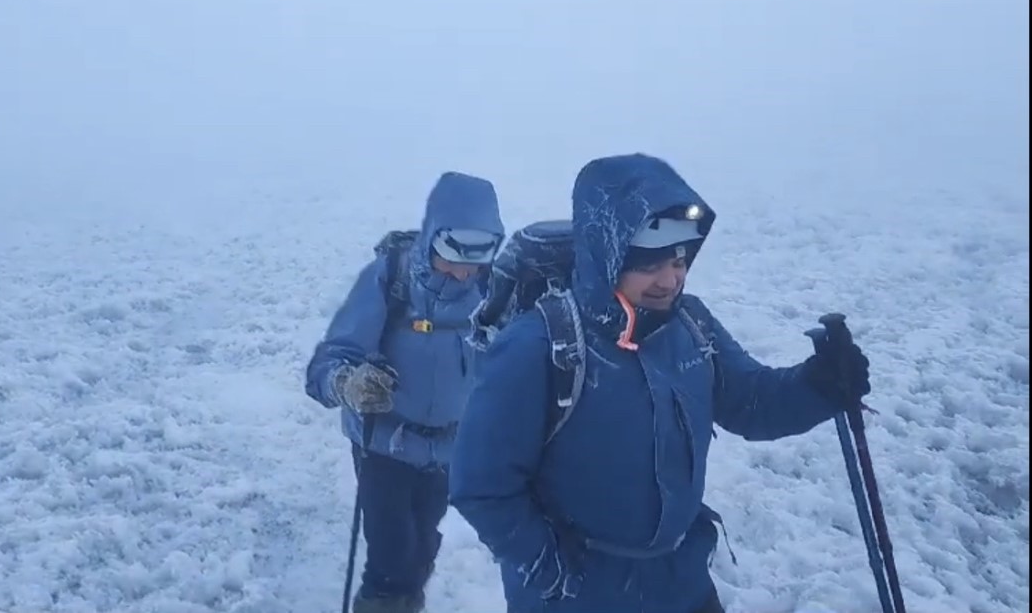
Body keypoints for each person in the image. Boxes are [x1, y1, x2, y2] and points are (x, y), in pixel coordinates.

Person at [448, 153, 871, 613]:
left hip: (680, 583)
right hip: (579, 595)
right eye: (649, 264)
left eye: (680, 259)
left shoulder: (692, 327)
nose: (670, 279)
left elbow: (752, 402)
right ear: (608, 253)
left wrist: (819, 385)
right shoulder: (539, 347)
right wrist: (549, 568)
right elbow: (481, 484)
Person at [305, 171, 505, 613]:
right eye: (452, 252)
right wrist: (348, 382)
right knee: (391, 556)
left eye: (478, 255)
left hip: (449, 449)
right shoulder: (390, 280)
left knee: (421, 546)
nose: (462, 270)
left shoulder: (494, 292)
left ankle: (405, 600)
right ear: (433, 235)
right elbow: (328, 361)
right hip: (384, 446)